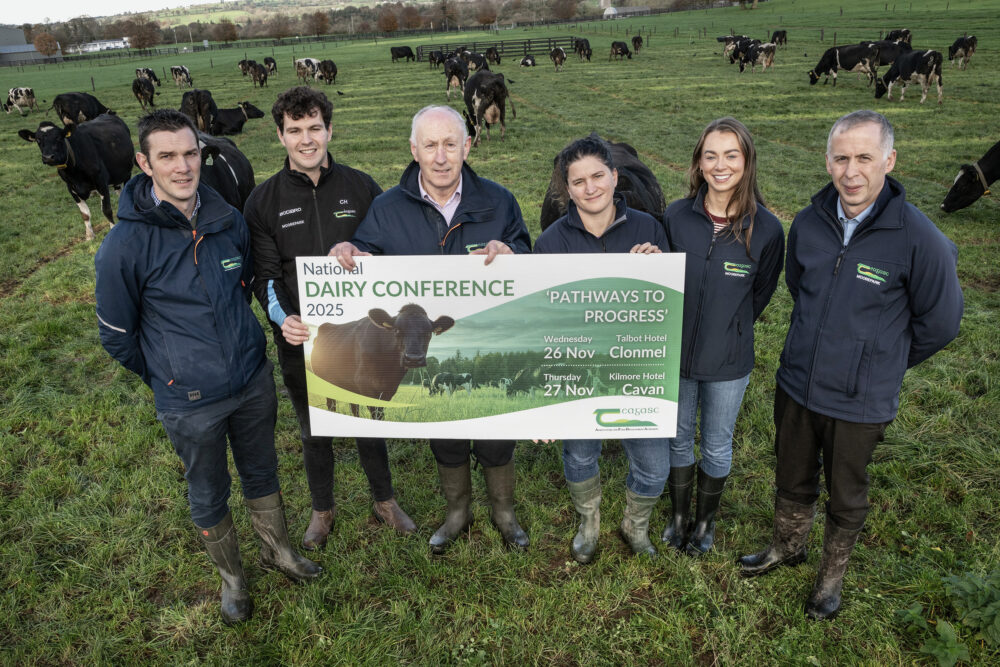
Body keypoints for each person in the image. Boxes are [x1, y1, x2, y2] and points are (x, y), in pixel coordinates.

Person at [95, 109, 320, 626]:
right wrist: (168, 375)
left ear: (203, 153)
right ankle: (233, 580)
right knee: (208, 488)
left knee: (262, 471)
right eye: (167, 156)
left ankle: (278, 552)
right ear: (143, 163)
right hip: (189, 400)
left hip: (250, 380)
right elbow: (117, 337)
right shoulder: (123, 246)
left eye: (190, 153)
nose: (182, 166)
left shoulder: (227, 219)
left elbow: (244, 285)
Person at [738, 110, 963, 620]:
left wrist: (880, 362)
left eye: (865, 157)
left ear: (889, 160)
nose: (852, 171)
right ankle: (787, 547)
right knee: (792, 474)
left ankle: (829, 581)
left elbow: (942, 323)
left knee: (846, 492)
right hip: (798, 382)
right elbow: (801, 287)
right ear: (827, 161)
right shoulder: (810, 222)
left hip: (860, 401)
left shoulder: (918, 238)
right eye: (841, 158)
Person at [333, 104, 532, 554]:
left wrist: (513, 250)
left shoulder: (499, 201)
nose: (440, 157)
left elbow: (525, 250)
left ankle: (505, 513)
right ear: (413, 150)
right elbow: (364, 259)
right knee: (445, 433)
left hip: (483, 341)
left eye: (449, 144)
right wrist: (348, 250)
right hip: (427, 349)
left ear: (467, 146)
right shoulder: (386, 208)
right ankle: (457, 512)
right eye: (430, 145)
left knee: (496, 433)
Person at [244, 86, 416, 551]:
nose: (306, 139)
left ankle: (385, 500)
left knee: (366, 415)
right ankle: (323, 510)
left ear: (329, 130)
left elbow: (389, 253)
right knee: (311, 425)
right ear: (279, 135)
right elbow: (263, 275)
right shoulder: (262, 202)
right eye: (295, 130)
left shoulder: (362, 188)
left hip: (367, 338)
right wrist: (283, 318)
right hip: (303, 339)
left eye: (314, 128)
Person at [534, 135, 670, 562]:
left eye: (598, 176)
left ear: (615, 176)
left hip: (637, 368)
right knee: (579, 454)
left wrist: (657, 267)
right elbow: (541, 323)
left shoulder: (650, 228)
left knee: (654, 464)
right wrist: (543, 398)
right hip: (576, 369)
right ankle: (588, 522)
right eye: (578, 181)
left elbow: (665, 307)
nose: (590, 188)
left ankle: (636, 524)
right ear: (566, 190)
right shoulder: (551, 243)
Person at [661, 117, 785, 556]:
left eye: (731, 155)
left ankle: (705, 523)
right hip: (673, 355)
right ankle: (677, 517)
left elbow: (760, 294)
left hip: (728, 361)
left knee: (715, 443)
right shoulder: (675, 216)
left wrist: (728, 328)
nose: (720, 165)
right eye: (710, 155)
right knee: (676, 437)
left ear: (747, 161)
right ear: (698, 162)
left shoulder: (767, 229)